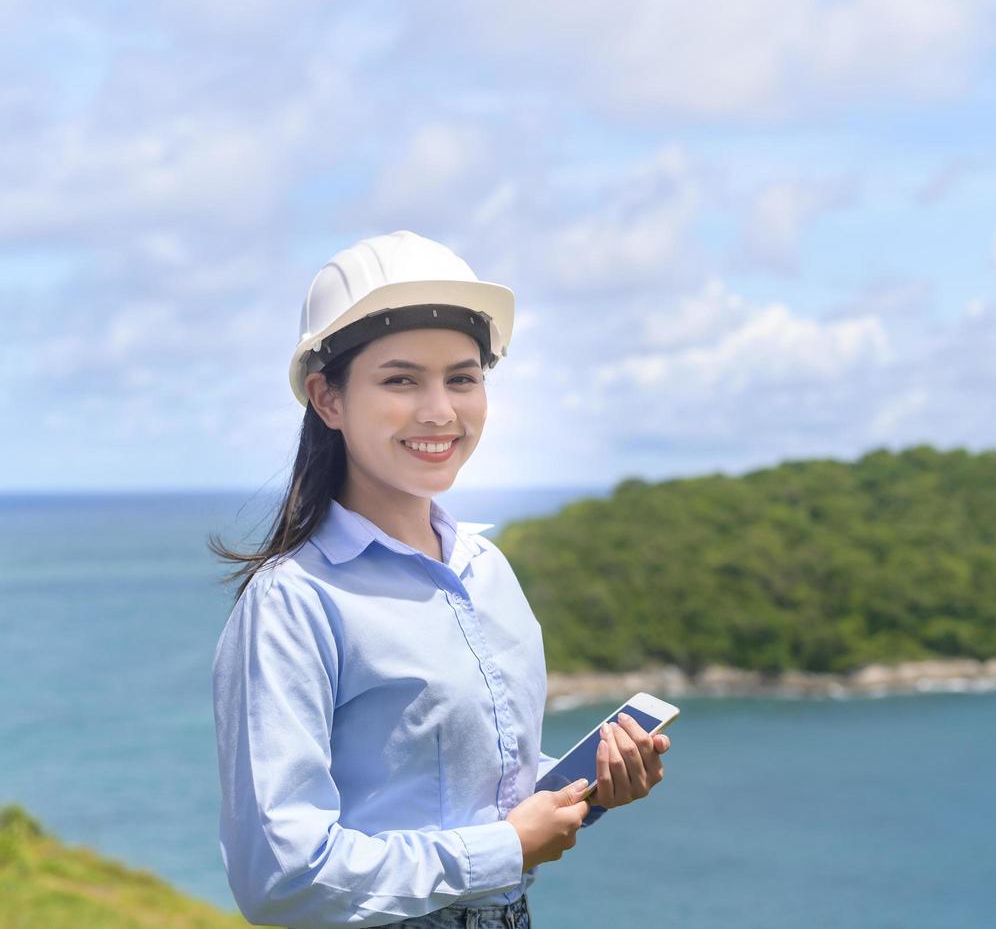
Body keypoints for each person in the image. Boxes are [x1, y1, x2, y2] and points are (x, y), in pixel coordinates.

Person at [209, 230, 670, 929]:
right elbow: (281, 880)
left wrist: (587, 785)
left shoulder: (486, 571)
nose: (439, 411)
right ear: (327, 399)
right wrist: (505, 848)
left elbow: (464, 794)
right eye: (400, 379)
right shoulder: (293, 601)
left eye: (462, 377)